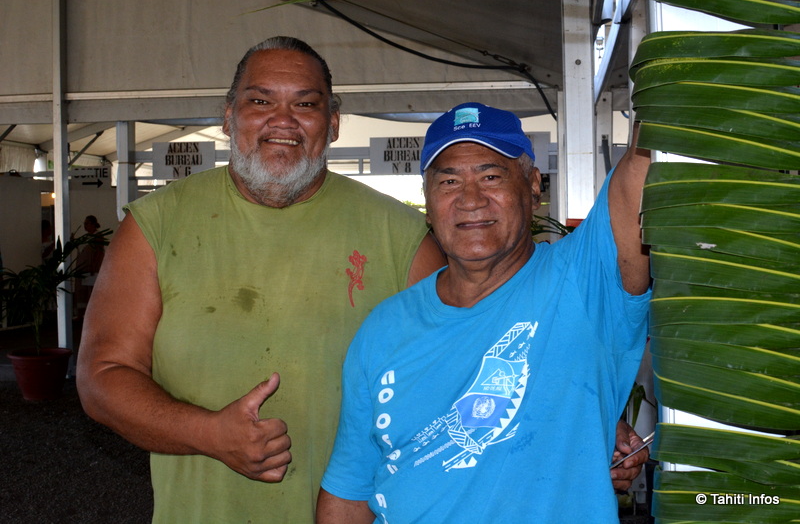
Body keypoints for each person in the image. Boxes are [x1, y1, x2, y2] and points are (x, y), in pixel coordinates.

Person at [77, 38, 646, 523]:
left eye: (305, 103)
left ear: (332, 124)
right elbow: (102, 377)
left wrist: (590, 407)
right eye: (259, 101)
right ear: (228, 117)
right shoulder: (156, 225)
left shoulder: (399, 231)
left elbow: (485, 326)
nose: (283, 120)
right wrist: (209, 435)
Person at [317, 103, 652, 523]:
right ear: (427, 199)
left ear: (532, 185)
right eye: (449, 181)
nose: (470, 199)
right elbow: (349, 490)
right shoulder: (383, 327)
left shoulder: (585, 283)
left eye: (491, 176)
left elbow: (640, 168)